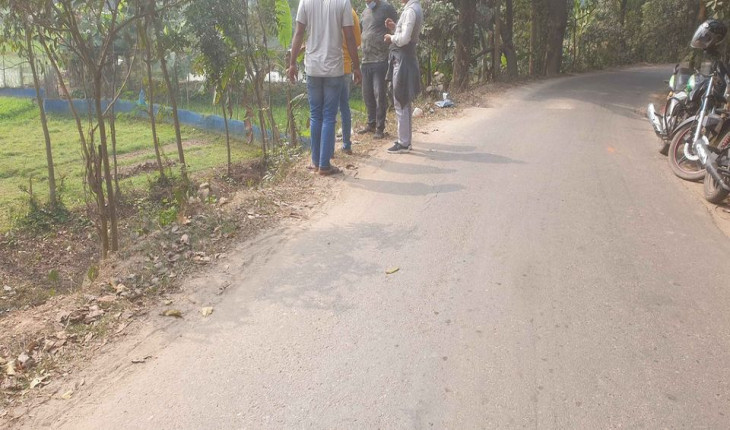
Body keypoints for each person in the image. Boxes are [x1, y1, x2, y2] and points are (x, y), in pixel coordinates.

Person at [288, 0, 362, 175]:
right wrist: (356, 66)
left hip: (313, 67)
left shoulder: (305, 2)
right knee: (329, 116)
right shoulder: (343, 3)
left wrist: (292, 63)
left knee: (316, 115)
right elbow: (350, 37)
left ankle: (315, 161)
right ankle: (324, 165)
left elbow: (299, 33)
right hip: (333, 68)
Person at [384, 0, 422, 153]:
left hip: (403, 59)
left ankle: (404, 142)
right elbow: (407, 33)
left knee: (400, 99)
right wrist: (395, 28)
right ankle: (405, 140)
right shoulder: (415, 8)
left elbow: (404, 39)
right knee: (404, 99)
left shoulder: (410, 11)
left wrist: (391, 37)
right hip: (406, 58)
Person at [358, 0, 398, 140]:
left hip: (380, 59)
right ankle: (371, 123)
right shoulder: (364, 12)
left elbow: (398, 27)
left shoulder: (386, 8)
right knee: (367, 94)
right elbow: (362, 32)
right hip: (366, 59)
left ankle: (380, 127)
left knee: (379, 93)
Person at [339, 8, 361, 155]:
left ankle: (327, 150)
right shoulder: (351, 13)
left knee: (329, 110)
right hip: (345, 65)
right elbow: (357, 41)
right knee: (344, 106)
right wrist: (356, 66)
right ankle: (346, 144)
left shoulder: (327, 8)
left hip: (327, 66)